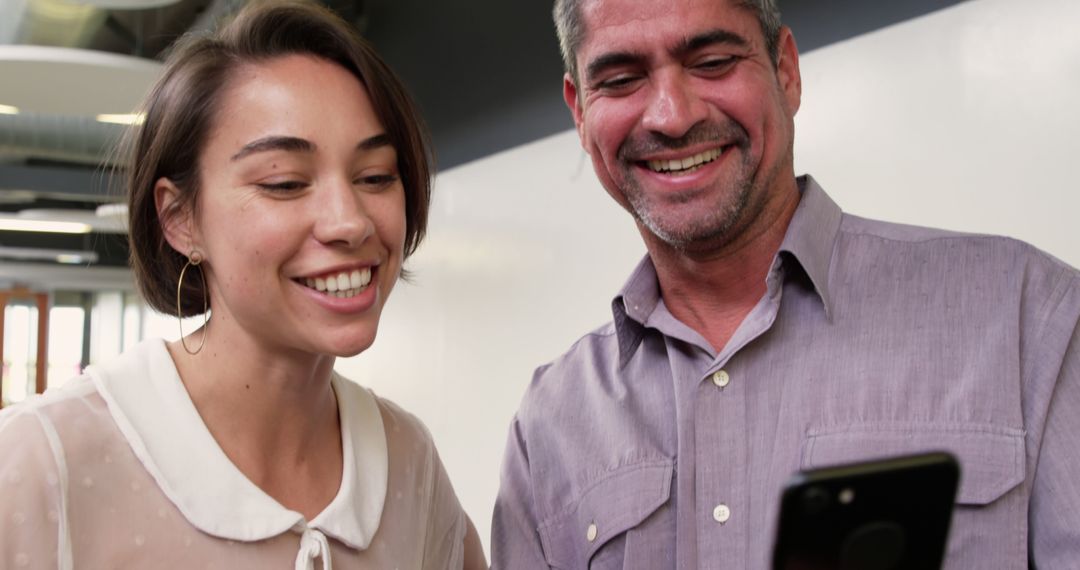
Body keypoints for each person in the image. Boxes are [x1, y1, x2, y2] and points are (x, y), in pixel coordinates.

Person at [491, 0, 1079, 568]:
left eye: (713, 62)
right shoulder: (549, 429)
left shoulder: (1029, 318)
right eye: (621, 79)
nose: (672, 115)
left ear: (786, 70)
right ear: (579, 111)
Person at [0, 2, 486, 568]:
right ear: (180, 218)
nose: (350, 221)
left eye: (375, 176)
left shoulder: (408, 462)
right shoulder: (43, 462)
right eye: (284, 183)